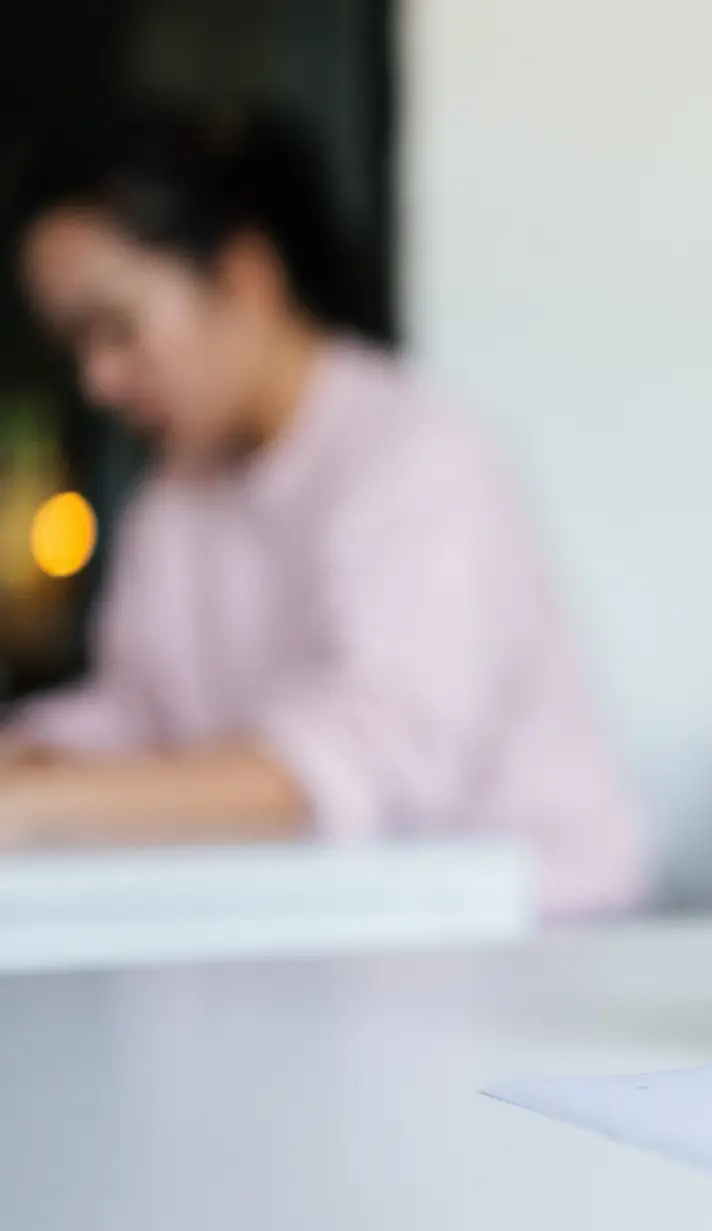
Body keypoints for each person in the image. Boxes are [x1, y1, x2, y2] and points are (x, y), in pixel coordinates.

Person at [0, 109, 648, 918]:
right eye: (76, 347)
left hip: (524, 938)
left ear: (243, 278)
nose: (97, 382)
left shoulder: (418, 454)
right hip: (321, 925)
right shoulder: (176, 496)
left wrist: (32, 809)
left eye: (117, 329)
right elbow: (140, 712)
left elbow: (367, 763)